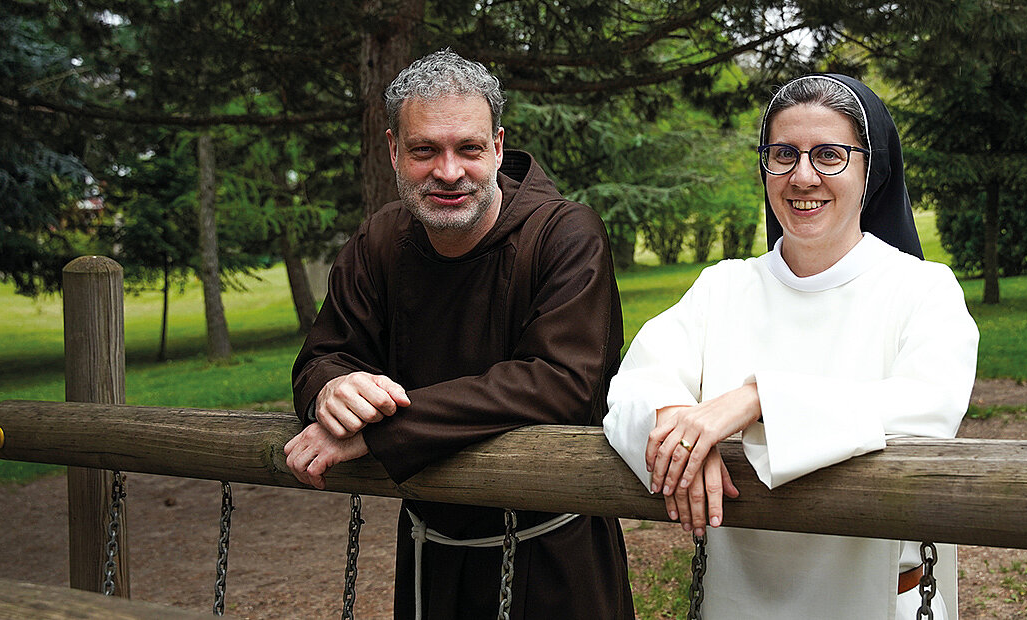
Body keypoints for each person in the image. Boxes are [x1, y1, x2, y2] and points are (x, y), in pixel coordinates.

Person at [603, 73, 979, 619]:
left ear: (870, 170)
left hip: (877, 604)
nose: (802, 177)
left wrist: (758, 401)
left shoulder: (924, 289)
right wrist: (685, 433)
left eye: (829, 155)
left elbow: (929, 409)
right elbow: (633, 390)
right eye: (783, 154)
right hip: (735, 603)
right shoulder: (722, 287)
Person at [284, 49, 634, 619]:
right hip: (432, 553)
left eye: (468, 148)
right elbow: (323, 354)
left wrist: (381, 432)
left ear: (497, 147)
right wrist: (333, 390)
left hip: (556, 554)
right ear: (394, 150)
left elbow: (562, 383)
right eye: (425, 150)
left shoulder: (566, 235)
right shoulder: (379, 242)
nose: (449, 172)